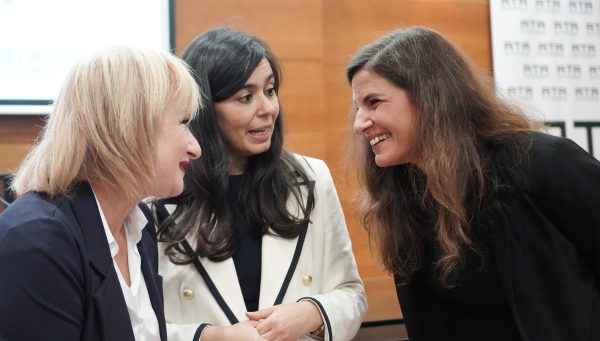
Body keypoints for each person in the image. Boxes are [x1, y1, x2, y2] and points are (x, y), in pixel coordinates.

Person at [346, 26, 600, 341]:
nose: (359, 124)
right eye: (358, 107)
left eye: (373, 102)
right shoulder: (403, 194)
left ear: (429, 97)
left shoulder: (545, 163)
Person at [154, 27, 367, 341]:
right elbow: (137, 325)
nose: (267, 109)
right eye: (245, 97)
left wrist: (311, 312)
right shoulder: (159, 193)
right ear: (204, 108)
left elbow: (351, 292)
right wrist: (215, 337)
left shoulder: (311, 178)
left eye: (270, 90)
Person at [0, 46, 202, 341]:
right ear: (130, 125)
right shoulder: (38, 239)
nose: (195, 147)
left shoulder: (139, 225)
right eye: (183, 123)